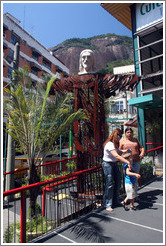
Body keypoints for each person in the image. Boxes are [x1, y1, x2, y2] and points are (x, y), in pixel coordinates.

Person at [102, 128, 132, 212]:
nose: (120, 137)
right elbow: (117, 156)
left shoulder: (114, 144)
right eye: (119, 135)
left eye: (121, 135)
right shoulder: (109, 144)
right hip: (108, 164)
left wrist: (125, 151)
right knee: (110, 183)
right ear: (116, 135)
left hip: (113, 164)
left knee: (118, 181)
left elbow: (118, 152)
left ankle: (115, 201)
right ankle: (107, 204)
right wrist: (127, 162)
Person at [119, 127, 145, 200]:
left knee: (135, 178)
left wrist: (142, 153)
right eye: (128, 132)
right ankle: (128, 195)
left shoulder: (135, 140)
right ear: (125, 133)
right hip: (126, 163)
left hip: (136, 161)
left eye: (131, 132)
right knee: (128, 178)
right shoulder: (122, 141)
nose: (129, 133)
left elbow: (141, 148)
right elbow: (119, 150)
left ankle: (135, 194)